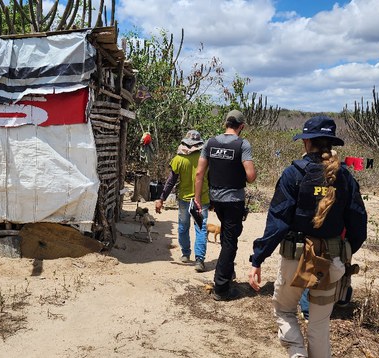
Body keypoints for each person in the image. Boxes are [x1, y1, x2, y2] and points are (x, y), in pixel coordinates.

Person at [247, 115, 367, 358]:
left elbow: (277, 223)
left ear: (306, 143)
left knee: (284, 311)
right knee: (319, 326)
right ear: (331, 144)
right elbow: (359, 224)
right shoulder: (345, 178)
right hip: (331, 263)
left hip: (296, 261)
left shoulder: (293, 174)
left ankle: (297, 354)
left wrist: (257, 259)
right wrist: (342, 252)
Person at [194, 109, 257, 301]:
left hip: (216, 199)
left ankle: (227, 273)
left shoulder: (210, 143)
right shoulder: (242, 144)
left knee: (227, 238)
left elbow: (199, 173)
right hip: (234, 200)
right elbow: (251, 176)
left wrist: (197, 199)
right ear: (241, 127)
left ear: (225, 124)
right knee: (230, 241)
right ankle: (221, 287)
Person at [155, 130, 210, 272]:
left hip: (185, 199)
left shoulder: (179, 159)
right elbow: (212, 179)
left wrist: (162, 198)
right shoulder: (205, 158)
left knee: (183, 227)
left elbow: (170, 181)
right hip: (202, 199)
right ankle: (199, 260)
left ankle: (186, 254)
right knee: (201, 229)